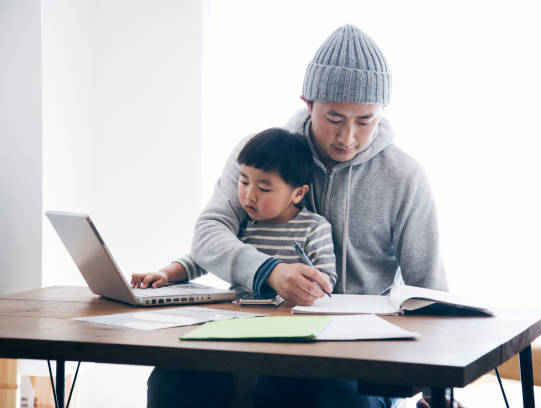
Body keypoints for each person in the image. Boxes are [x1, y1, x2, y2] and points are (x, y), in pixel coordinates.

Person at [147, 24, 451, 408]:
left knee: (323, 393)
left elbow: (428, 289)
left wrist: (436, 389)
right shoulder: (260, 157)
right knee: (174, 378)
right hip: (254, 338)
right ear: (308, 103)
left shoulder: (405, 177)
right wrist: (271, 271)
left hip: (359, 355)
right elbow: (209, 234)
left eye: (366, 121)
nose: (349, 138)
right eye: (335, 118)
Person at [131, 127, 337, 294]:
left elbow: (328, 278)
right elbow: (204, 258)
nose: (249, 196)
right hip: (240, 317)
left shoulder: (314, 228)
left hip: (292, 319)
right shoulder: (243, 224)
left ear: (298, 193)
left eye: (264, 188)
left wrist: (316, 286)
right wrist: (165, 274)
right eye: (244, 181)